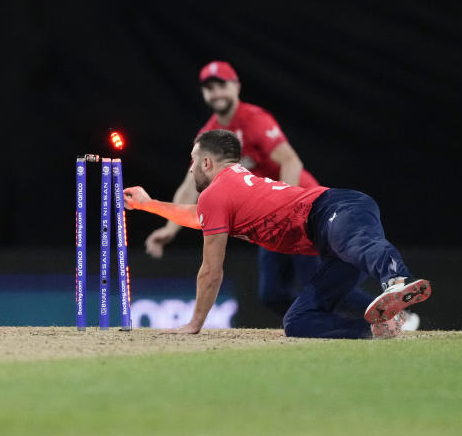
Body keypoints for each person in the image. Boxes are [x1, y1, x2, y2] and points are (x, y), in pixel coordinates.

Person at [123, 129, 431, 339]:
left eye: (193, 161)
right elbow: (196, 216)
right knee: (298, 321)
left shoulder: (217, 193)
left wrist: (194, 324)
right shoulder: (229, 189)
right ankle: (379, 329)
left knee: (354, 243)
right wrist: (150, 206)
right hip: (330, 237)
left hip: (333, 209)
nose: (191, 170)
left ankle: (396, 280)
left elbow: (211, 271)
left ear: (207, 162)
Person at [145, 61, 375, 319]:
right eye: (209, 87)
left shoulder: (253, 119)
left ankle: (392, 313)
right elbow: (190, 186)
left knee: (314, 280)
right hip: (266, 219)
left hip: (303, 210)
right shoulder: (208, 135)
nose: (216, 92)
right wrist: (169, 228)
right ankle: (323, 326)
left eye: (221, 84)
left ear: (236, 86)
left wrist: (288, 210)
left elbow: (291, 161)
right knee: (272, 293)